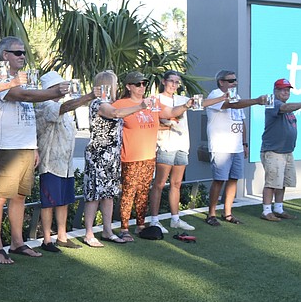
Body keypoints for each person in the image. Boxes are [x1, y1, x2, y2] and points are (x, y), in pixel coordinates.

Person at [0, 37, 69, 264]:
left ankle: (17, 243)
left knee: (20, 196)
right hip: (6, 146)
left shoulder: (24, 78)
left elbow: (28, 109)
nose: (22, 56)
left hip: (24, 146)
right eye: (17, 52)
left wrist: (33, 147)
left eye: (23, 52)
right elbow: (21, 96)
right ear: (5, 55)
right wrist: (54, 93)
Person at [113, 71, 189, 240]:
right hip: (131, 156)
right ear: (128, 86)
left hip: (149, 155)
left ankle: (141, 225)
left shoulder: (152, 103)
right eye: (137, 84)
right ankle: (124, 228)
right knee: (128, 192)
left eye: (144, 84)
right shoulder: (121, 103)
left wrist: (186, 105)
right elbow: (113, 117)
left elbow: (169, 112)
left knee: (143, 192)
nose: (142, 87)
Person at [146, 71, 224, 232]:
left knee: (176, 184)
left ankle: (175, 218)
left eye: (177, 82)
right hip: (164, 145)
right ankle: (154, 220)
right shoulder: (156, 99)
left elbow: (201, 103)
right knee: (159, 184)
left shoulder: (182, 99)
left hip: (182, 146)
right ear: (163, 82)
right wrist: (168, 122)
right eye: (171, 81)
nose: (174, 85)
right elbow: (155, 122)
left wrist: (223, 98)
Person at [82, 71, 146, 245]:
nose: (117, 87)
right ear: (107, 84)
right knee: (94, 194)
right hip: (98, 155)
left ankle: (107, 230)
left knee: (109, 194)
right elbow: (116, 114)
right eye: (115, 83)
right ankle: (89, 233)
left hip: (111, 157)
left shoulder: (108, 103)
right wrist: (141, 106)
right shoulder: (98, 104)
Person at [34, 71, 97, 250]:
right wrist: (90, 96)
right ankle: (47, 239)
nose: (63, 89)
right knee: (49, 202)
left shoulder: (58, 105)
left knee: (63, 200)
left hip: (65, 163)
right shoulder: (45, 105)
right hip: (50, 162)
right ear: (50, 88)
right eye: (59, 86)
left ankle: (62, 235)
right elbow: (65, 107)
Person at [205, 70, 267, 226]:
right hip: (221, 146)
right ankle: (211, 214)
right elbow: (230, 105)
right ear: (221, 82)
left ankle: (227, 213)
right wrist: (256, 101)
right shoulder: (214, 95)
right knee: (219, 180)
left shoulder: (236, 97)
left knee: (233, 180)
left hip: (237, 147)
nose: (235, 83)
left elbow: (242, 121)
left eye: (235, 80)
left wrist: (244, 143)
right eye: (231, 80)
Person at [260, 78, 301, 221]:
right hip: (273, 151)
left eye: (288, 90)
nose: (286, 92)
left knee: (282, 182)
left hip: (286, 151)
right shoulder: (273, 103)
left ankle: (278, 208)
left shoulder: (284, 105)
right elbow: (284, 108)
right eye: (283, 89)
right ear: (275, 91)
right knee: (272, 182)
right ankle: (266, 211)